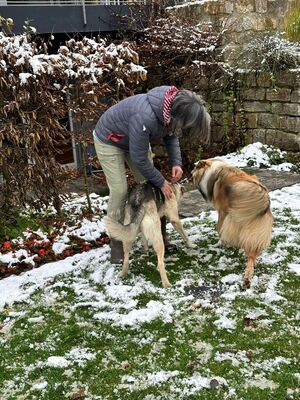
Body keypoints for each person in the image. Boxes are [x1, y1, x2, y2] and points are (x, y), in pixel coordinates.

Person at [93, 85, 211, 263]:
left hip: (134, 140)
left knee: (152, 186)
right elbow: (139, 158)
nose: (186, 128)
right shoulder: (146, 116)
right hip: (110, 139)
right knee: (120, 190)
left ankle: (160, 236)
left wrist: (176, 162)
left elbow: (171, 135)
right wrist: (162, 182)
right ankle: (116, 243)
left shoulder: (170, 110)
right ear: (179, 114)